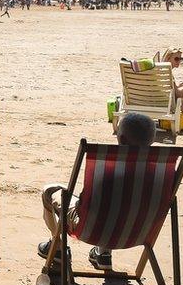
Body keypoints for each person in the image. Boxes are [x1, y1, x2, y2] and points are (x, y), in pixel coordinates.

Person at [37, 113, 156, 270]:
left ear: (122, 139)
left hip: (91, 230)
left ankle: (57, 249)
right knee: (120, 205)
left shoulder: (106, 165)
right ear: (152, 140)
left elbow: (85, 203)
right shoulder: (159, 171)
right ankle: (103, 254)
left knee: (50, 191)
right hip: (138, 232)